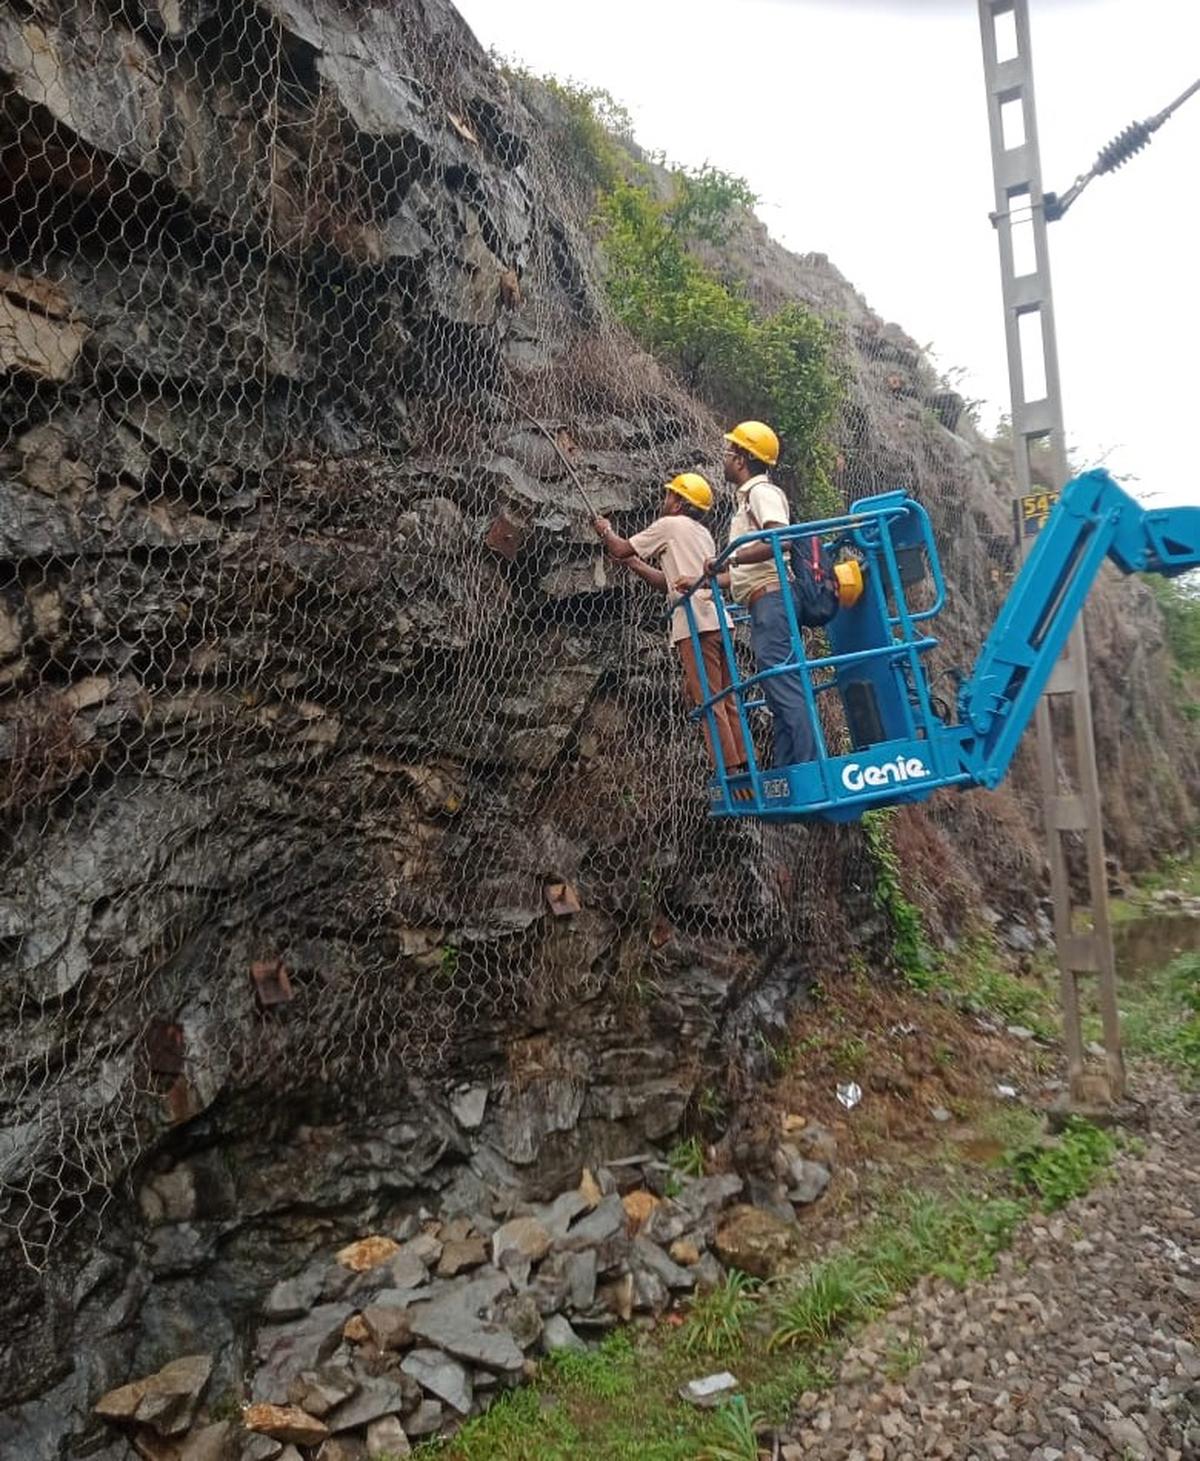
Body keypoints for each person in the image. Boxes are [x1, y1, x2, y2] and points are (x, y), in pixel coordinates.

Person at [593, 473, 748, 776]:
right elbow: (670, 583)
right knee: (728, 698)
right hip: (720, 620)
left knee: (708, 699)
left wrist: (605, 531)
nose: (665, 500)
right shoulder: (701, 532)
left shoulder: (668, 525)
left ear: (679, 503)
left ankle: (729, 771)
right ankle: (743, 762)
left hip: (696, 627)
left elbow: (621, 547)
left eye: (670, 495)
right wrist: (636, 565)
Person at [697, 421, 815, 768]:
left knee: (783, 684)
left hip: (773, 600)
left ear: (743, 458)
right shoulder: (749, 498)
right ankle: (788, 767)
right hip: (763, 598)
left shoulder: (762, 493)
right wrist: (707, 580)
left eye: (729, 452)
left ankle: (807, 769)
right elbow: (744, 570)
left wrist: (729, 556)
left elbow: (781, 539)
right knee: (776, 687)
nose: (725, 458)